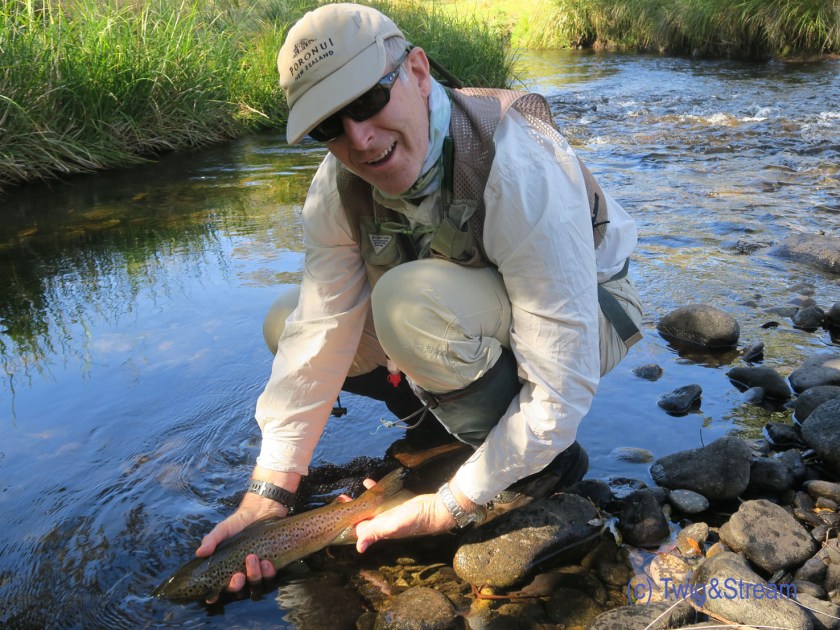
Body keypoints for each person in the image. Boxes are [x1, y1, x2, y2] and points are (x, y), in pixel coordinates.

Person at [195, 2, 643, 598]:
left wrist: (453, 504)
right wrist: (270, 491)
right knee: (287, 322)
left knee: (409, 306)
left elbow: (563, 380)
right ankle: (434, 420)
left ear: (418, 72)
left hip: (590, 312)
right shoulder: (335, 189)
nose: (358, 138)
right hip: (465, 312)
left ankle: (537, 464)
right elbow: (320, 332)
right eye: (331, 124)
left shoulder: (520, 162)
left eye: (367, 101)